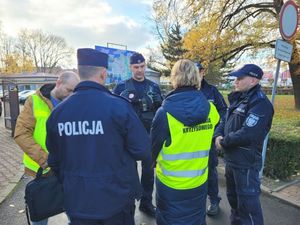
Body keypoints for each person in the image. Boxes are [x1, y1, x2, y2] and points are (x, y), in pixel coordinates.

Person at [46, 48, 151, 225]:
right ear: (103, 74)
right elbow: (142, 150)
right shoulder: (119, 107)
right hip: (116, 200)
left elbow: (54, 161)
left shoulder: (58, 113)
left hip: (78, 202)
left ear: (80, 73)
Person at [151, 59, 220, 225]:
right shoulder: (211, 110)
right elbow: (215, 126)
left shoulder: (164, 113)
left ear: (174, 78)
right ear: (196, 77)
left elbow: (152, 150)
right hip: (199, 182)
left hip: (170, 186)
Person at [14, 71, 80, 225]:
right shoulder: (34, 101)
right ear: (58, 83)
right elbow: (21, 133)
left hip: (68, 172)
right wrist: (45, 160)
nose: (71, 95)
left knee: (76, 215)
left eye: (74, 92)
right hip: (41, 171)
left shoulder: (73, 103)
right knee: (41, 216)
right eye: (69, 90)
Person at [215, 64, 274, 225]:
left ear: (253, 80)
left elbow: (248, 133)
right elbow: (224, 121)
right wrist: (218, 134)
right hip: (232, 161)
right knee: (234, 202)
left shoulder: (260, 103)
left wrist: (223, 141)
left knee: (248, 208)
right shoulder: (239, 98)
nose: (236, 81)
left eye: (240, 78)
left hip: (246, 164)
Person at [113, 52, 162, 217]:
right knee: (128, 173)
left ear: (145, 66)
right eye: (136, 67)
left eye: (142, 66)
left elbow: (160, 111)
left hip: (149, 136)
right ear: (130, 67)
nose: (139, 70)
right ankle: (128, 205)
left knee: (149, 173)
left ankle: (146, 203)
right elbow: (112, 113)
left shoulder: (154, 87)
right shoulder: (121, 87)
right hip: (127, 139)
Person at [195, 62, 227, 216]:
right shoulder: (186, 90)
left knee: (210, 173)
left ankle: (214, 200)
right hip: (191, 142)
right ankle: (196, 203)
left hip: (208, 141)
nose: (196, 74)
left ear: (203, 72)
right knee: (193, 173)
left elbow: (223, 111)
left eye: (199, 71)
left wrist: (217, 129)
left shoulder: (212, 91)